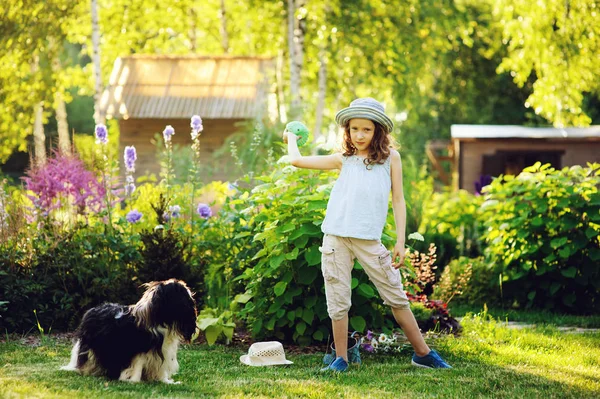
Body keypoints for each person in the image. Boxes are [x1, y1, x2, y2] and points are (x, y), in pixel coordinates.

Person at [283, 98, 452, 372]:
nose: (359, 135)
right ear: (347, 131)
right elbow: (297, 160)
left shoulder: (390, 159)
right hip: (336, 237)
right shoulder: (344, 159)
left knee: (395, 295)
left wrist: (400, 241)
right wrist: (291, 137)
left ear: (378, 131)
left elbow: (398, 200)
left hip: (369, 241)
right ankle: (341, 359)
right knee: (338, 301)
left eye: (366, 130)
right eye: (354, 129)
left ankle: (422, 353)